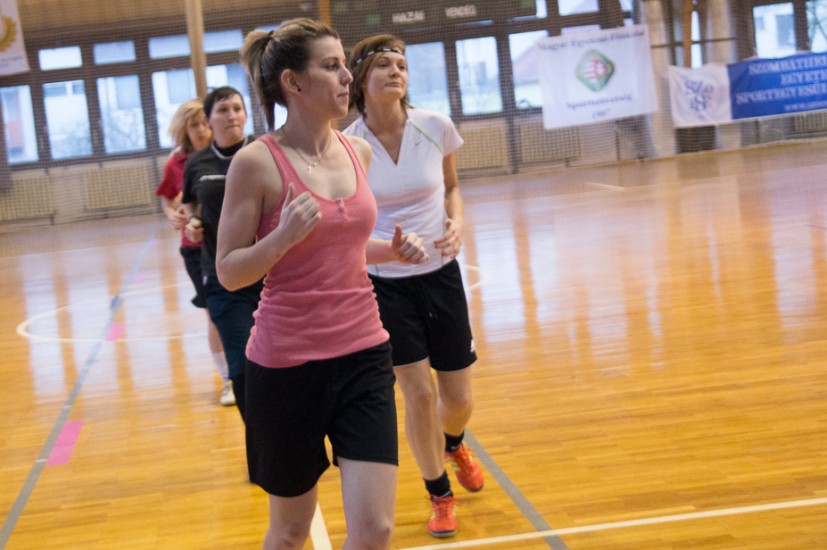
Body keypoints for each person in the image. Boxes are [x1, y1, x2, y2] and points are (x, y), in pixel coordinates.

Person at [217, 19, 428, 549]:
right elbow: (229, 270)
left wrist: (390, 250)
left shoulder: (358, 152)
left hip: (364, 354)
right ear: (293, 82)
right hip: (286, 367)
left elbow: (341, 245)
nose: (347, 77)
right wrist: (281, 237)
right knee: (291, 532)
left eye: (344, 65)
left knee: (376, 530)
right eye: (331, 66)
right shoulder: (255, 163)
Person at [344, 34, 483, 538]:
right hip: (386, 285)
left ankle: (454, 441)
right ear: (362, 77)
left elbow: (452, 187)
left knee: (458, 398)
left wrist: (457, 222)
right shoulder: (349, 146)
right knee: (419, 395)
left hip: (441, 274)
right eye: (384, 64)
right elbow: (348, 219)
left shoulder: (435, 125)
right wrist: (384, 248)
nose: (396, 72)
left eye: (401, 64)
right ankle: (439, 493)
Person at [182, 86, 262, 420]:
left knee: (283, 362)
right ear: (208, 120)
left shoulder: (262, 151)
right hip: (223, 276)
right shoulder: (197, 162)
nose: (232, 116)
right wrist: (193, 222)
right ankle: (259, 437)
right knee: (242, 362)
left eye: (237, 109)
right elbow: (189, 203)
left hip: (270, 273)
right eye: (223, 110)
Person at [154, 99, 235, 407]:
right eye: (193, 125)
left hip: (233, 243)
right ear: (183, 129)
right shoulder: (177, 162)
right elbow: (167, 197)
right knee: (215, 314)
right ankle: (227, 378)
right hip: (197, 251)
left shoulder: (230, 154)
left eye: (204, 123)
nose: (201, 130)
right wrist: (172, 214)